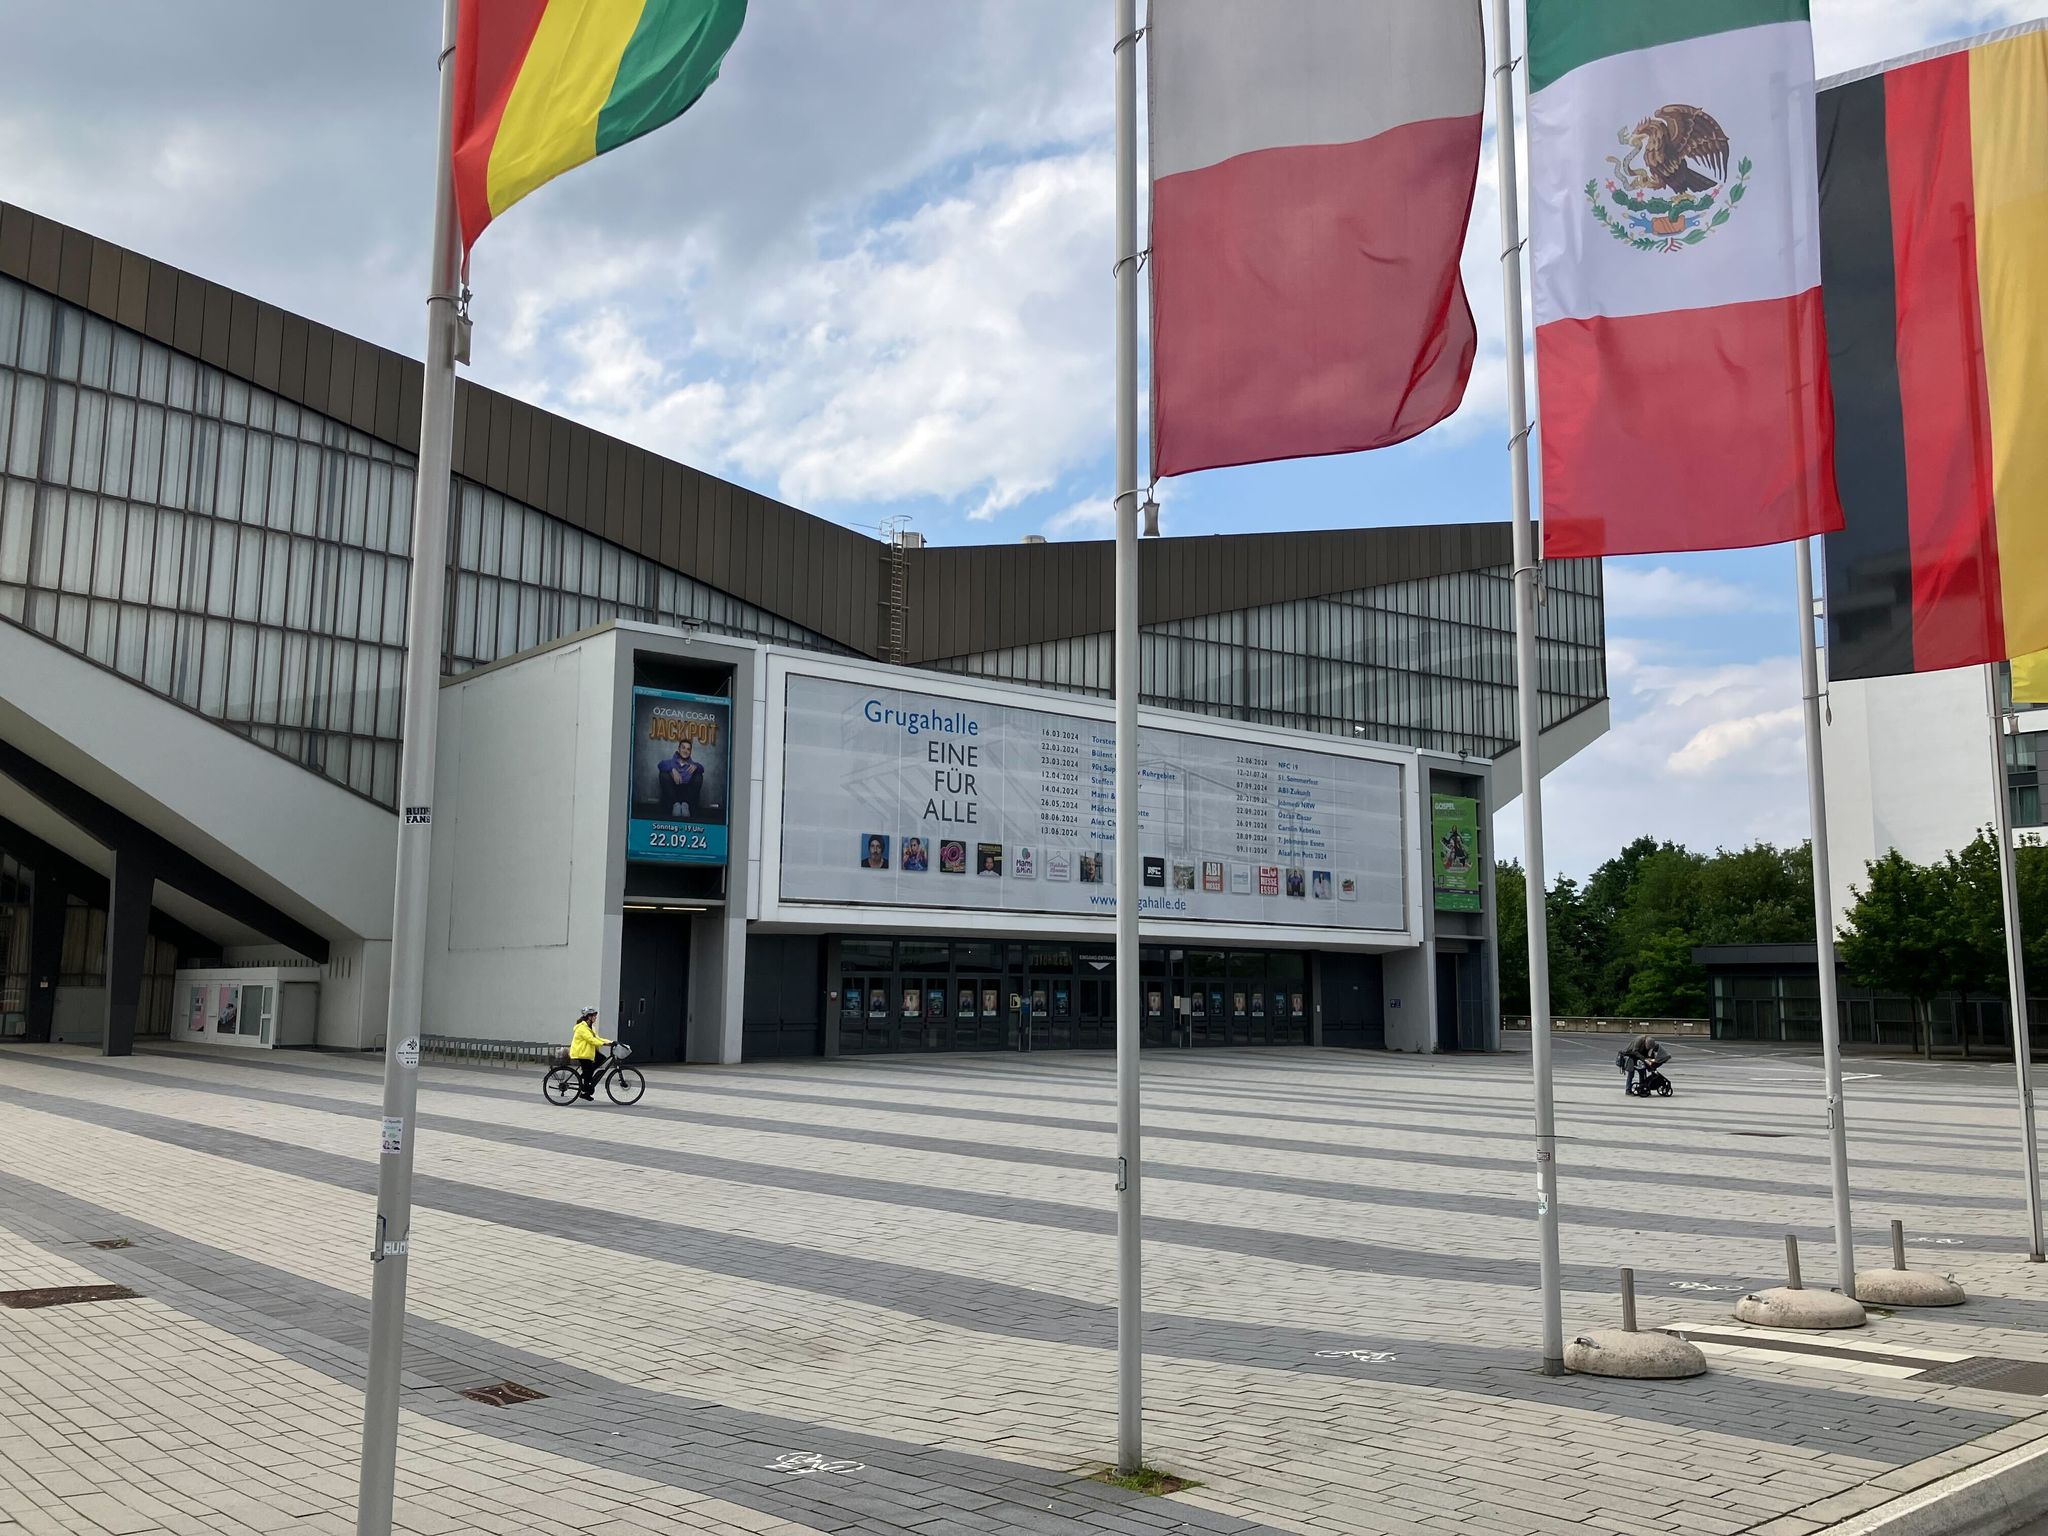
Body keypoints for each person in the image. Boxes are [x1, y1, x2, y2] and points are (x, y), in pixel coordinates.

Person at [567, 1007, 613, 1100]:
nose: (595, 1018)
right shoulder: (581, 1028)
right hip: (581, 1053)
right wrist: (604, 1044)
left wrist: (611, 1042)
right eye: (594, 1016)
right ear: (588, 1017)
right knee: (589, 1070)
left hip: (588, 1052)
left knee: (601, 1059)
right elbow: (591, 1040)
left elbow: (597, 1038)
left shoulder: (591, 1027)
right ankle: (585, 1092)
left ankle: (585, 1076)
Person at [659, 739, 705, 818]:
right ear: (678, 749)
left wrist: (697, 767)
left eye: (688, 749)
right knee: (663, 774)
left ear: (690, 752)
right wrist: (672, 769)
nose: (685, 751)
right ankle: (675, 804)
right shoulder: (670, 762)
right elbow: (660, 765)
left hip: (687, 793)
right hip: (673, 791)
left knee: (699, 776)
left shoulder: (693, 764)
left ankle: (685, 805)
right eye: (683, 748)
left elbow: (702, 768)